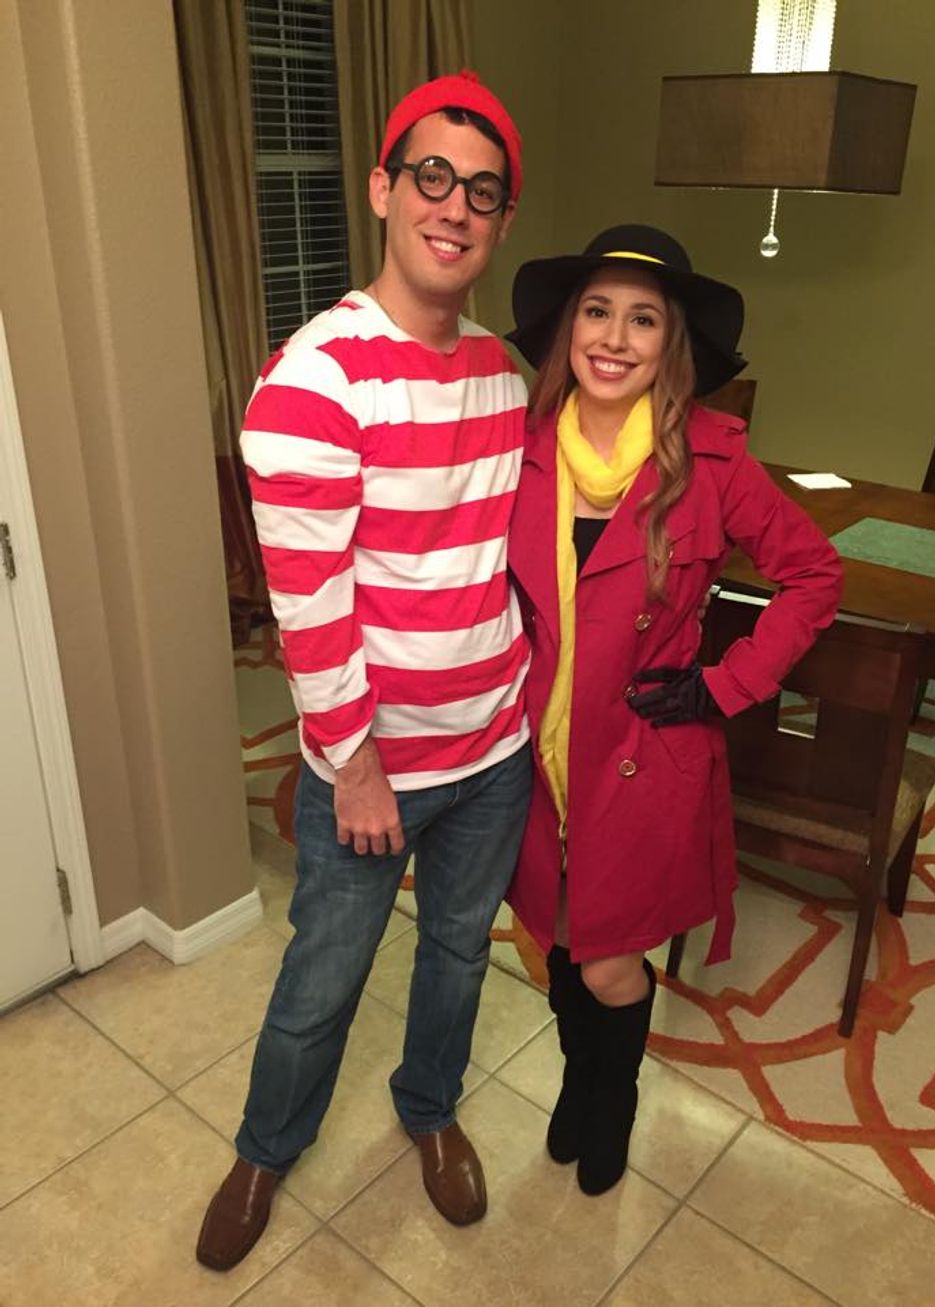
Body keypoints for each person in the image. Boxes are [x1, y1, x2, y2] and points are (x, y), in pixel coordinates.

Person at [196, 71, 532, 1272]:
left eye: (481, 191)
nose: (454, 207)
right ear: (384, 189)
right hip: (373, 766)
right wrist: (353, 766)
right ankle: (265, 1148)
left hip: (493, 748)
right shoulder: (313, 378)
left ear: (500, 221)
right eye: (432, 176)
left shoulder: (503, 373)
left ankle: (427, 1107)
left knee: (457, 953)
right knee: (323, 978)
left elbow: (508, 550)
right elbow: (309, 605)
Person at [504, 225, 844, 1197]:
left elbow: (813, 576)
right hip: (531, 757)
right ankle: (578, 1081)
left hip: (642, 754)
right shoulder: (520, 446)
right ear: (568, 327)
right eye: (597, 311)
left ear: (671, 342)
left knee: (607, 962)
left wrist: (726, 682)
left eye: (642, 318)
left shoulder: (714, 458)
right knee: (553, 940)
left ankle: (607, 1099)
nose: (614, 337)